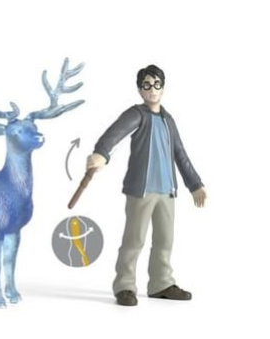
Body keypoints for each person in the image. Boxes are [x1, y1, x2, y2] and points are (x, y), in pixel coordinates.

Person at [87, 64, 206, 306]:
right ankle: (125, 285)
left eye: (156, 84)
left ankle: (161, 283)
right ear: (140, 90)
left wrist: (194, 184)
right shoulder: (137, 115)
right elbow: (115, 134)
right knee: (134, 239)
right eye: (147, 85)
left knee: (165, 240)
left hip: (167, 191)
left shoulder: (168, 120)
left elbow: (180, 153)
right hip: (141, 190)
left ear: (163, 88)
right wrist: (101, 153)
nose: (152, 89)